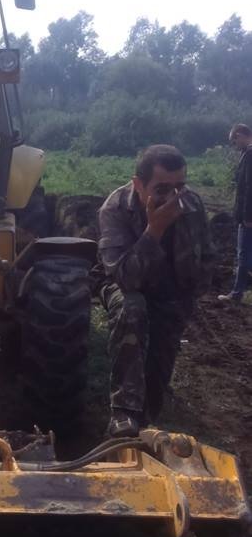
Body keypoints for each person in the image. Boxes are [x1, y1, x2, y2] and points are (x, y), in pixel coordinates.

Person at [97, 145, 214, 438]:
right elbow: (126, 277)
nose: (173, 198)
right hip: (123, 284)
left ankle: (145, 421)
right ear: (138, 184)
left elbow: (206, 257)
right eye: (161, 189)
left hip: (171, 290)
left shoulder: (192, 204)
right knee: (132, 308)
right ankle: (123, 412)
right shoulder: (115, 209)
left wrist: (188, 298)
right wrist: (155, 230)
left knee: (159, 366)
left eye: (179, 187)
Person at [218, 123, 252, 303]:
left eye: (234, 141)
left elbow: (249, 188)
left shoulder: (250, 155)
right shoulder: (247, 154)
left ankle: (237, 293)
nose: (234, 145)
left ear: (240, 135)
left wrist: (247, 216)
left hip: (248, 217)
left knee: (243, 254)